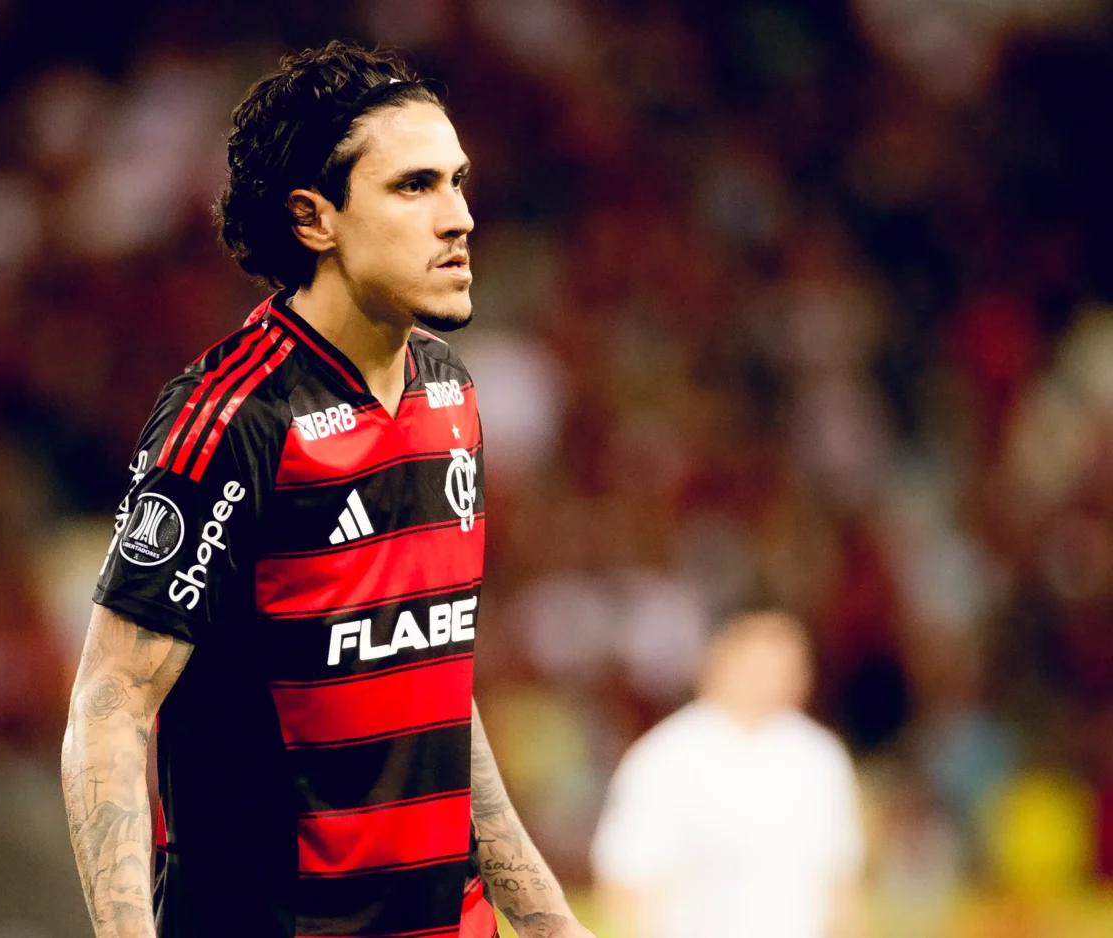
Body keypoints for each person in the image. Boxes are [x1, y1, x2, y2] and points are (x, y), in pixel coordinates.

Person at [61, 41, 595, 938]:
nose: (459, 217)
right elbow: (111, 709)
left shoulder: (449, 391)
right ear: (315, 220)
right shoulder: (233, 419)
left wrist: (548, 922)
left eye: (458, 182)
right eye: (415, 187)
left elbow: (430, 688)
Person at [591, 611, 865, 938]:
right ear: (721, 666)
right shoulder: (667, 757)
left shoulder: (819, 756)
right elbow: (624, 880)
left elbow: (839, 884)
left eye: (786, 669)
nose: (773, 681)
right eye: (759, 669)